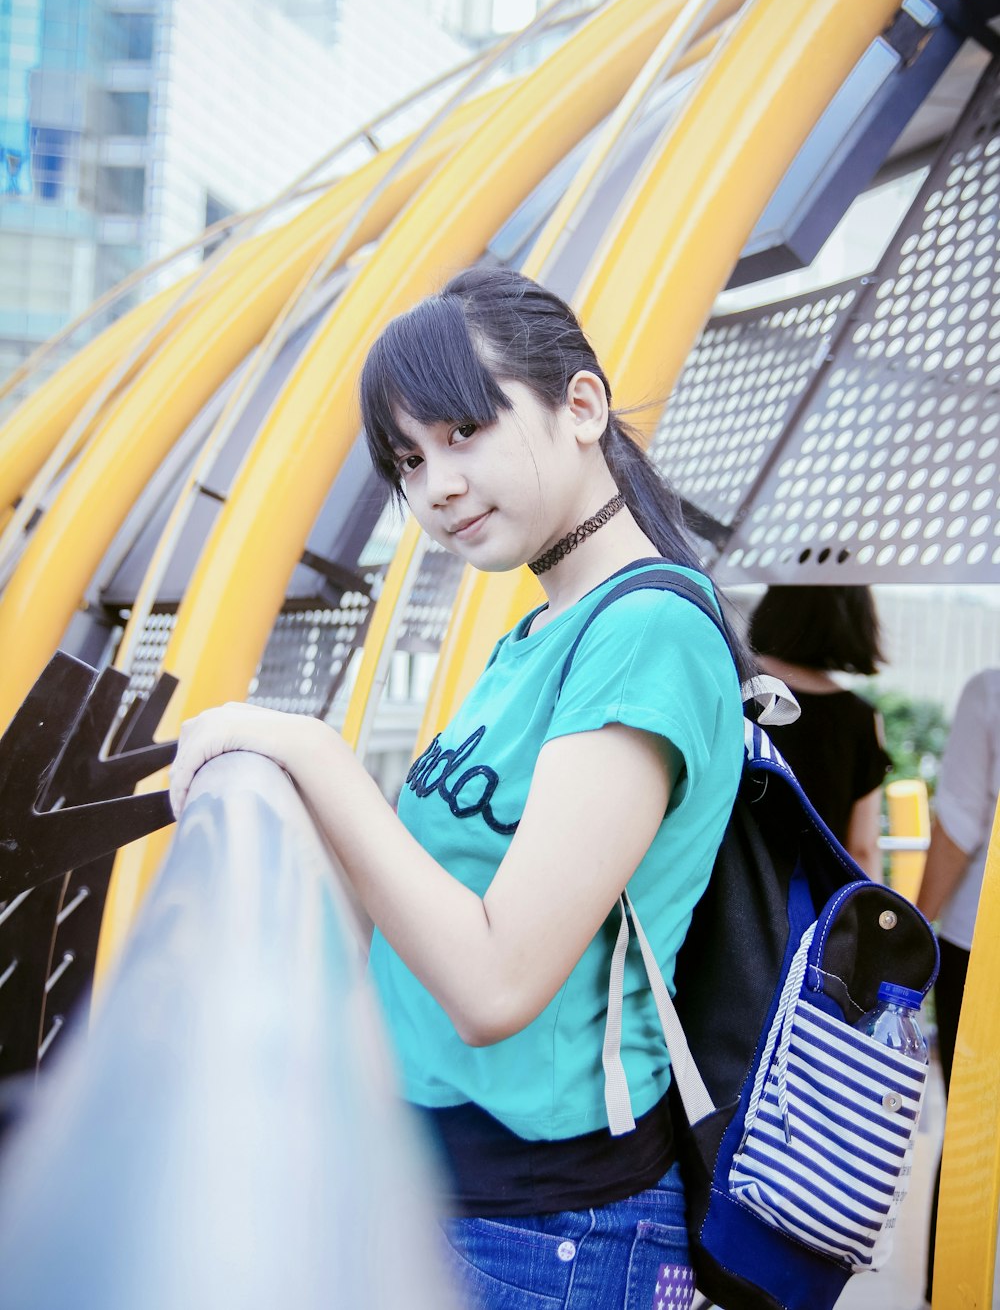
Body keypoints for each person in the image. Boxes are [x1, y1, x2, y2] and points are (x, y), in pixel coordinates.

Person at [169, 266, 749, 1309]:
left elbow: (493, 983)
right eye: (406, 459)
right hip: (459, 1198)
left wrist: (308, 750)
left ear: (581, 406)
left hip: (553, 1230)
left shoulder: (647, 634)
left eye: (462, 432)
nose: (433, 486)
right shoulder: (535, 635)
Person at [916, 667, 1000, 1307]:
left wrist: (911, 944)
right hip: (977, 943)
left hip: (981, 946)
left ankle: (954, 1295)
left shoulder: (991, 690)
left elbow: (962, 824)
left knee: (976, 1131)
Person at [748, 585, 891, 879]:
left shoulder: (736, 684)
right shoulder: (860, 718)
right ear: (854, 618)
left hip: (729, 895)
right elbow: (862, 847)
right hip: (814, 909)